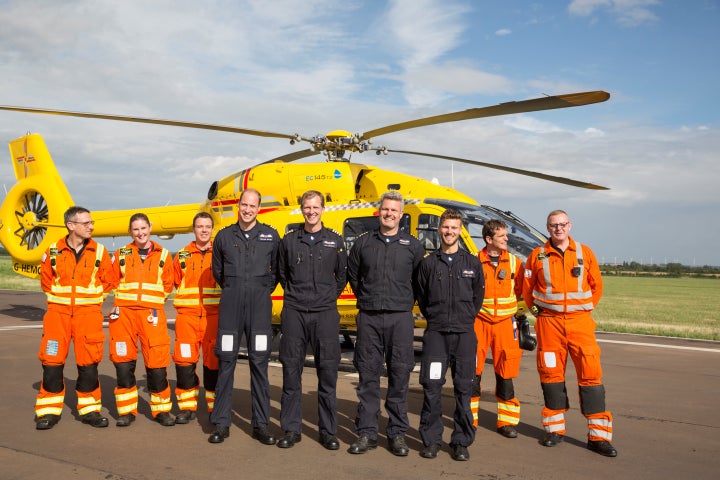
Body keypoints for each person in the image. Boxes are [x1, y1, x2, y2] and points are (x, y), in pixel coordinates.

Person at [522, 210, 617, 457]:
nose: (558, 229)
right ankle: (554, 431)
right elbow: (526, 289)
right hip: (549, 324)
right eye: (554, 225)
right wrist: (538, 312)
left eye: (562, 224)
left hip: (580, 324)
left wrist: (581, 310)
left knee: (591, 376)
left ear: (569, 226)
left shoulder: (585, 254)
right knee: (551, 376)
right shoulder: (537, 255)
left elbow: (597, 287)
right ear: (548, 227)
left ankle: (598, 437)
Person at [346, 191, 425, 456]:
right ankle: (367, 433)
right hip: (369, 317)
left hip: (400, 318)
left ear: (401, 215)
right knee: (368, 376)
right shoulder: (363, 243)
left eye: (394, 210)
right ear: (378, 212)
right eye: (385, 209)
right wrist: (369, 298)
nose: (389, 214)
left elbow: (419, 281)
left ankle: (397, 433)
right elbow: (354, 277)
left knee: (399, 376)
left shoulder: (413, 246)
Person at [34, 206, 117, 430]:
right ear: (71, 225)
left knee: (89, 363)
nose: (91, 226)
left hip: (88, 316)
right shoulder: (52, 251)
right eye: (86, 223)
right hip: (57, 316)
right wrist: (60, 302)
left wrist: (91, 301)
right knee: (52, 362)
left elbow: (108, 282)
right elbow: (46, 281)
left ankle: (89, 410)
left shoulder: (99, 252)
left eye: (91, 223)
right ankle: (48, 411)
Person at [276, 190, 347, 450]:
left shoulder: (335, 241)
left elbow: (341, 276)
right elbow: (283, 274)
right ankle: (291, 429)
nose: (311, 211)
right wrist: (299, 297)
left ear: (323, 209)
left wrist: (325, 298)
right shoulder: (289, 241)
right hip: (295, 312)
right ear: (301, 209)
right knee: (291, 372)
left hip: (325, 314)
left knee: (327, 374)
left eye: (315, 207)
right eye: (307, 207)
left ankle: (328, 431)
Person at [208, 189, 279, 445]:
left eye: (252, 205)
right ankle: (221, 423)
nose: (247, 209)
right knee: (226, 362)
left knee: (259, 363)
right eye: (244, 205)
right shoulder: (224, 237)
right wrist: (236, 289)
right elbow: (219, 272)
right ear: (239, 206)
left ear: (259, 208)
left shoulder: (271, 236)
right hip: (231, 304)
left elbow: (276, 273)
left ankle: (261, 425)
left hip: (259, 305)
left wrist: (259, 290)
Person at [415, 208, 485, 461]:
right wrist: (438, 318)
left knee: (464, 389)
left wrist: (463, 319)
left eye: (454, 228)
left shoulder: (472, 264)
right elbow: (422, 298)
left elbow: (477, 298)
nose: (449, 232)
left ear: (460, 231)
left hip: (465, 335)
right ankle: (431, 440)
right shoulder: (428, 264)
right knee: (432, 387)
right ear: (439, 229)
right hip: (436, 335)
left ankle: (461, 441)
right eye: (446, 227)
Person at [109, 213, 175, 427]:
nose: (140, 233)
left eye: (143, 228)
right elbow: (111, 280)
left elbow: (167, 285)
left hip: (151, 316)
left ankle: (161, 410)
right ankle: (127, 412)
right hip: (124, 316)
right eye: (136, 229)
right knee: (123, 364)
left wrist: (151, 303)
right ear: (130, 232)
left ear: (150, 227)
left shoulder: (164, 255)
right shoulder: (121, 254)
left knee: (157, 364)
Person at [470, 219, 526, 438]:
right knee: (472, 373)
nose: (506, 239)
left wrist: (519, 319)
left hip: (505, 325)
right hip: (479, 322)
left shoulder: (514, 263)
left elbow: (522, 291)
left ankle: (507, 422)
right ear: (489, 239)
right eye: (502, 236)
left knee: (506, 373)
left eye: (505, 235)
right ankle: (469, 419)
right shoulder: (474, 261)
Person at [171, 212, 222, 424]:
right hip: (187, 319)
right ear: (194, 229)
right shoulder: (181, 256)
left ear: (212, 229)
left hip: (213, 319)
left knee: (213, 363)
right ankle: (186, 407)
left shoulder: (220, 254)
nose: (203, 230)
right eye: (200, 226)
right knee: (184, 363)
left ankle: (214, 407)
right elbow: (174, 283)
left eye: (207, 226)